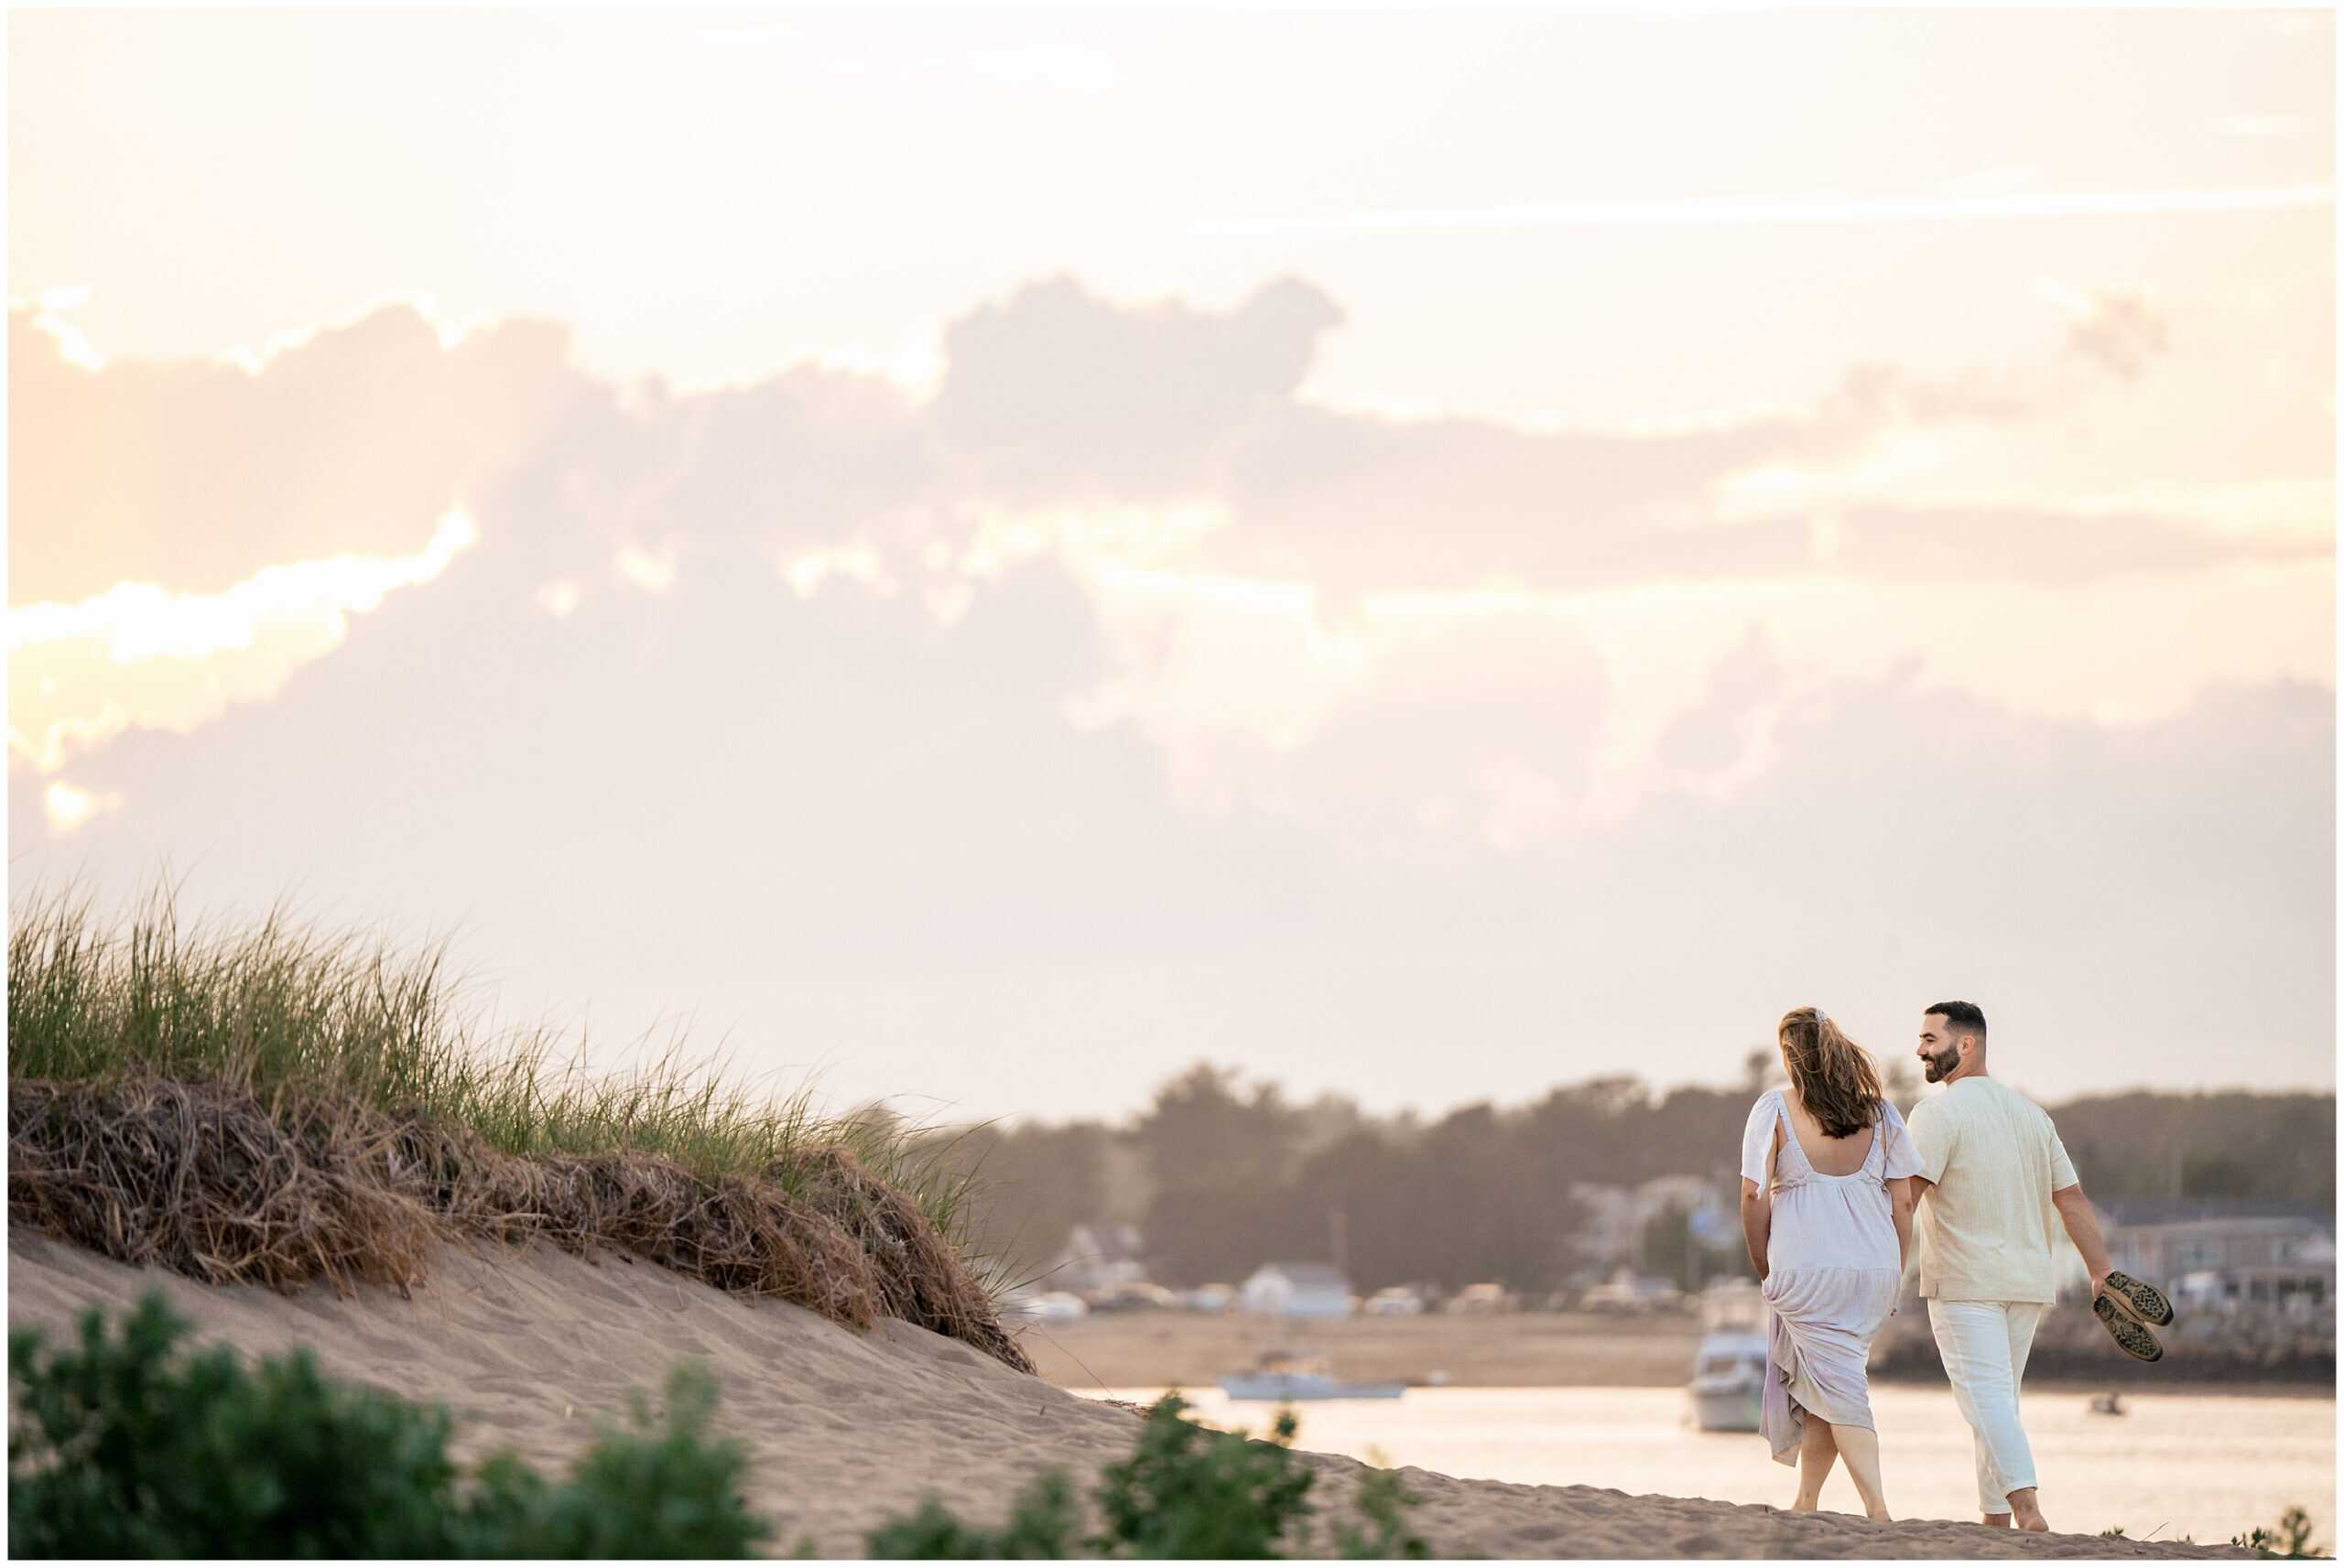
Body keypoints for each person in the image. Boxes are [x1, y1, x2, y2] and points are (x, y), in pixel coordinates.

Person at [1904, 999, 2131, 1534]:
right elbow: (2072, 1199)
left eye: (1930, 1040)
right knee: (1998, 1402)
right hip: (2028, 1284)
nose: (1919, 1049)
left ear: (1967, 1044)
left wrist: (1880, 1270)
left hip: (1965, 1283)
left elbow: (1905, 1199)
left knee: (1986, 1400)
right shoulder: (2032, 1115)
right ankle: (1995, 1519)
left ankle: (2028, 1513)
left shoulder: (1936, 1114)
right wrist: (2100, 1271)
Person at [1738, 1006, 1920, 1522]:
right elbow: (1903, 1204)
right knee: (1830, 1379)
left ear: (1790, 1056)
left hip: (1806, 1270)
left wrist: (1763, 1264)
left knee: (1843, 1389)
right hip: (1874, 1268)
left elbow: (1753, 1197)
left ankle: (1878, 1508)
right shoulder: (1883, 1114)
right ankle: (1808, 1500)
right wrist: (1895, 1273)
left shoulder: (1774, 1109)